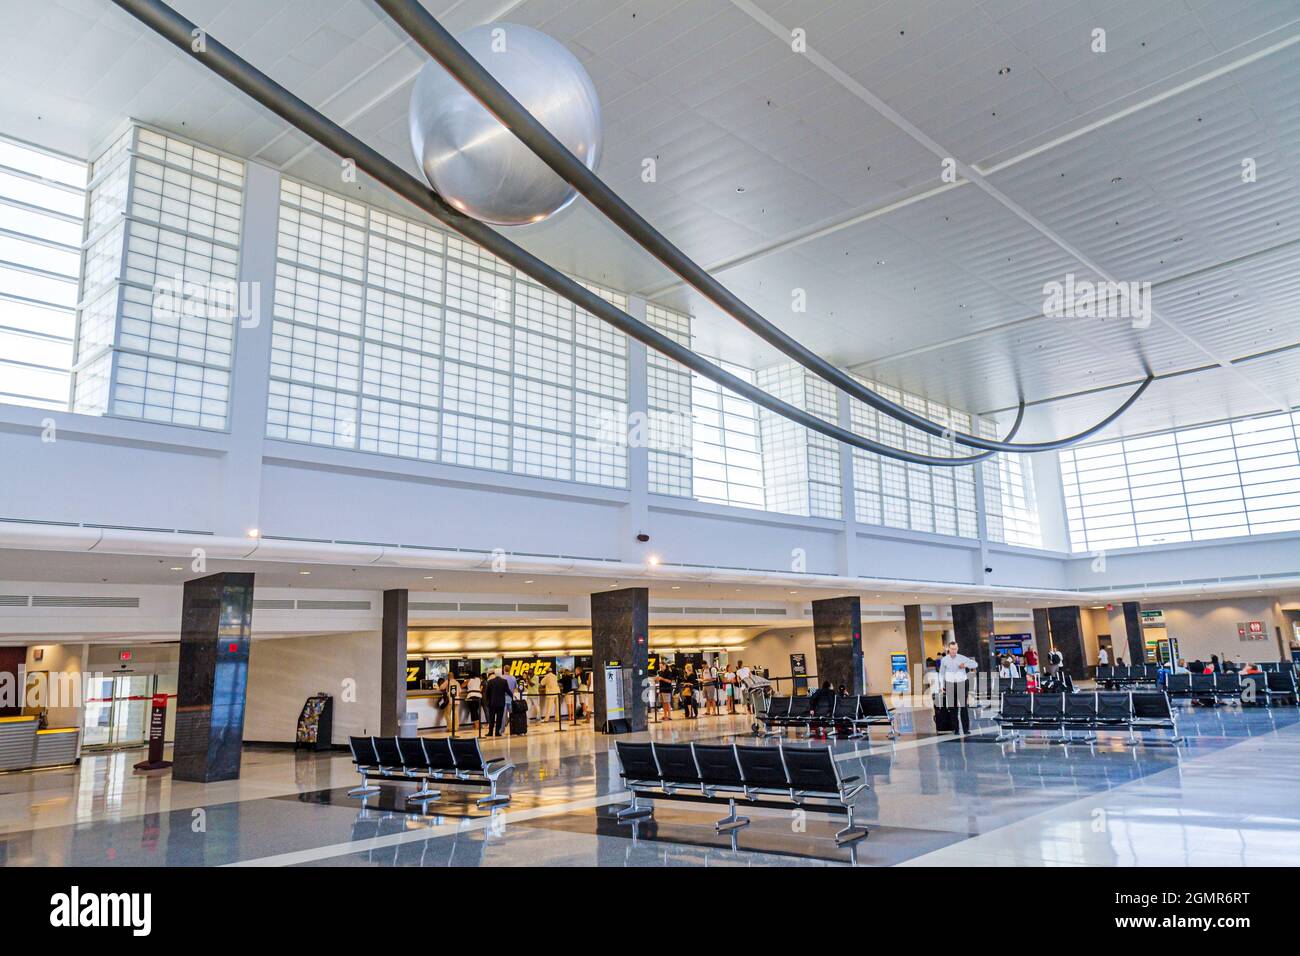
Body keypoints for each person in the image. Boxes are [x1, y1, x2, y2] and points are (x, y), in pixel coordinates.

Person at [937, 640, 978, 735]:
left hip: (962, 684)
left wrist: (965, 665)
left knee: (964, 707)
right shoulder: (944, 660)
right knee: (953, 708)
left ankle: (966, 729)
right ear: (948, 649)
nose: (954, 651)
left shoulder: (962, 658)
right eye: (952, 649)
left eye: (955, 649)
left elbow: (975, 664)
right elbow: (941, 673)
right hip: (950, 684)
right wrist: (941, 685)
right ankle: (956, 729)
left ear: (957, 648)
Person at [483, 670, 510, 737]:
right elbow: (508, 691)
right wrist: (513, 696)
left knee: (491, 718)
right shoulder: (504, 681)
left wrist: (487, 701)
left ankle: (490, 732)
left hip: (492, 703)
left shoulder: (490, 681)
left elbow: (487, 693)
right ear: (501, 674)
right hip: (501, 703)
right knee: (499, 718)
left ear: (495, 674)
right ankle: (497, 732)